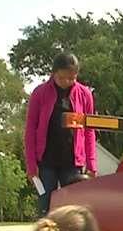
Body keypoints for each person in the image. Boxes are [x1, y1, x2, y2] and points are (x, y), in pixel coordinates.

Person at [25, 52, 98, 215]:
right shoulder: (39, 93)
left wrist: (92, 164)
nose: (66, 82)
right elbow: (30, 130)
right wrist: (31, 165)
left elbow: (89, 130)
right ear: (54, 73)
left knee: (73, 211)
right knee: (46, 208)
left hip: (72, 163)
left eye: (71, 78)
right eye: (62, 78)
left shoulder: (85, 94)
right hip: (46, 163)